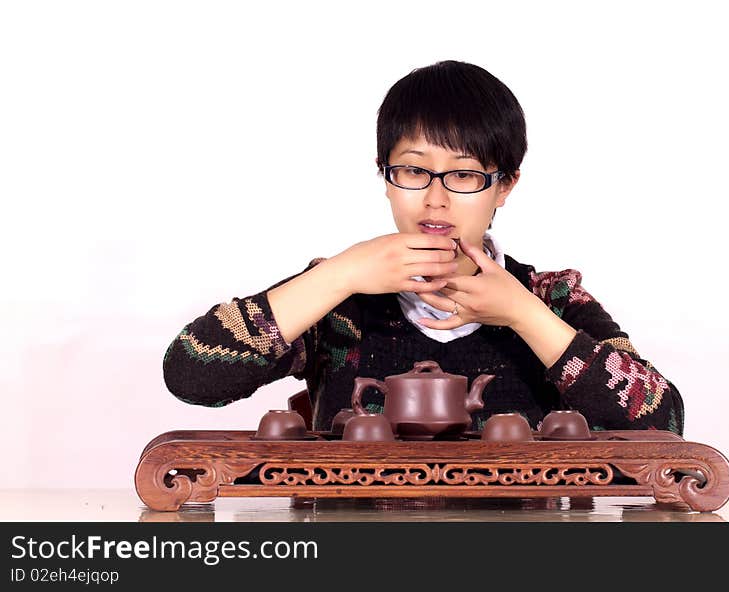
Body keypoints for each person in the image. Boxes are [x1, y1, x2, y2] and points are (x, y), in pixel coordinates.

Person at [162, 60, 684, 435]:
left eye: (463, 174)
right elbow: (190, 375)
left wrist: (525, 314)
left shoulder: (550, 297)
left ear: (504, 186)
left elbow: (665, 420)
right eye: (413, 170)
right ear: (385, 177)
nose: (435, 199)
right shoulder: (339, 301)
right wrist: (339, 274)